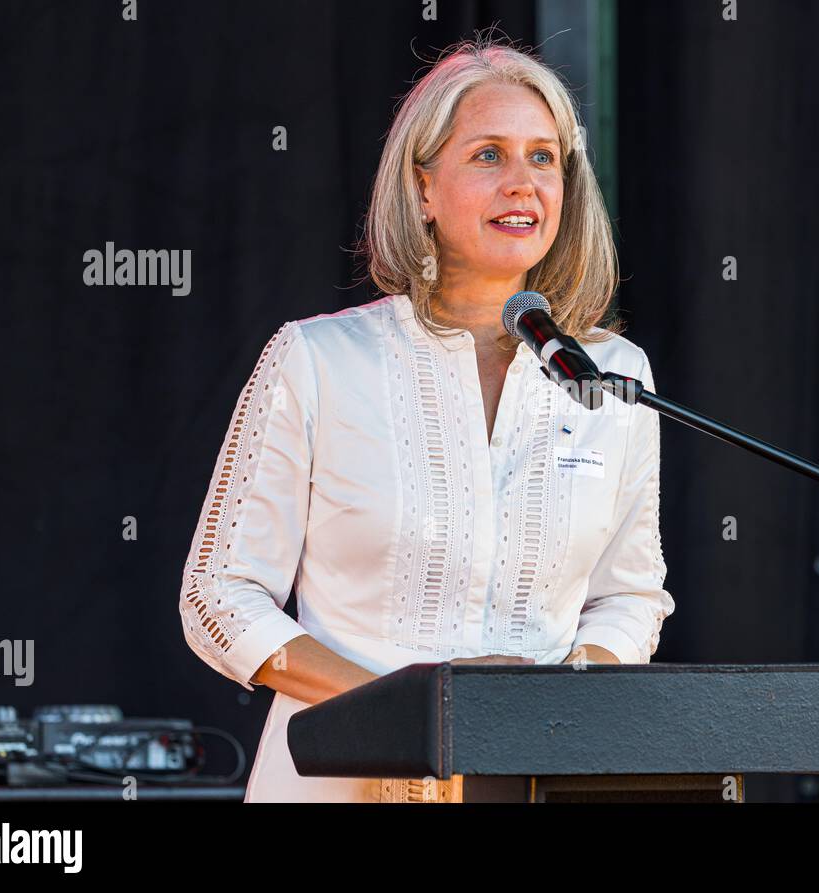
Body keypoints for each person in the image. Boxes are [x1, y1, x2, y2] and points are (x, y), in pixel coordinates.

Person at [177, 36, 674, 802]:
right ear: (423, 190)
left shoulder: (614, 375)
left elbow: (630, 596)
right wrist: (406, 716)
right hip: (338, 778)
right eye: (488, 156)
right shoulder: (318, 359)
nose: (523, 183)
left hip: (534, 780)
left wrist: (564, 701)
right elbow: (218, 596)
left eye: (545, 158)